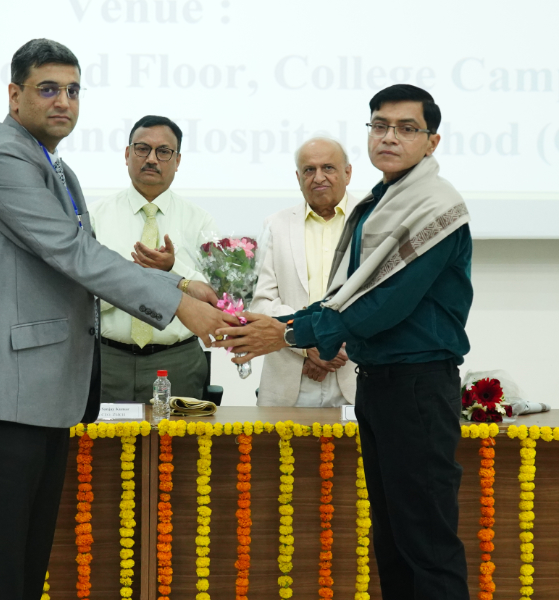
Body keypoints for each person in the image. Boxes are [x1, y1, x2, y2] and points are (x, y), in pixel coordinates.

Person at [0, 39, 237, 600]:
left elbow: (87, 258)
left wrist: (180, 284)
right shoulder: (3, 160)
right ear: (14, 95)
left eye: (73, 91)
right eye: (48, 89)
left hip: (39, 389)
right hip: (4, 389)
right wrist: (180, 306)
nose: (63, 102)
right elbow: (74, 255)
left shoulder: (54, 166)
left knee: (25, 557)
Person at [215, 84, 472, 600]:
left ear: (432, 141)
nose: (390, 137)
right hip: (380, 386)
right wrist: (286, 326)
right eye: (380, 125)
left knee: (427, 543)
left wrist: (288, 331)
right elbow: (343, 297)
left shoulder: (434, 207)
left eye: (406, 128)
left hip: (417, 388)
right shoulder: (381, 203)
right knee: (393, 540)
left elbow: (384, 304)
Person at [90, 115, 219, 402]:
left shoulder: (200, 221)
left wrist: (173, 270)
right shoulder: (96, 216)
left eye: (163, 152)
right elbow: (82, 292)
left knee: (178, 435)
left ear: (178, 160)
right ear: (127, 154)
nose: (151, 159)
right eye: (142, 149)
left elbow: (214, 298)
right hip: (107, 358)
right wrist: (132, 279)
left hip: (177, 360)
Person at [251, 137, 359, 406]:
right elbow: (261, 303)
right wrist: (306, 344)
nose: (318, 177)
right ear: (298, 178)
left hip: (355, 376)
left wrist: (331, 345)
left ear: (348, 173)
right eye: (309, 170)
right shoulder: (275, 225)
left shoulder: (372, 220)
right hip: (289, 379)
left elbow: (381, 300)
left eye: (328, 168)